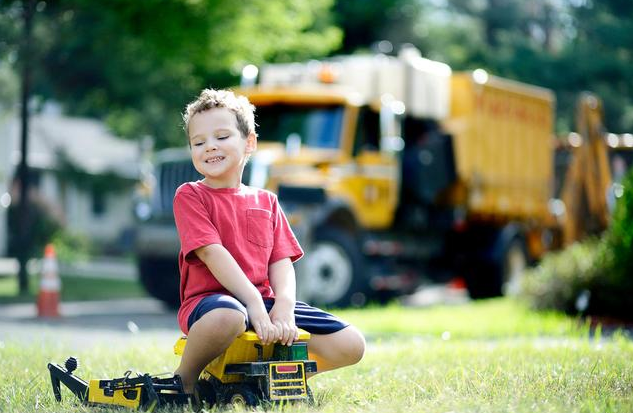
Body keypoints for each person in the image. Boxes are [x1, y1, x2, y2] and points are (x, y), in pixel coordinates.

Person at [173, 88, 365, 394]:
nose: (209, 147)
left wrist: (284, 307)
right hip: (212, 303)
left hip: (265, 303)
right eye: (199, 142)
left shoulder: (268, 201)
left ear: (249, 142)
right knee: (229, 315)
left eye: (222, 137)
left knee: (351, 344)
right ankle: (184, 380)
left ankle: (269, 383)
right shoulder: (190, 195)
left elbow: (281, 261)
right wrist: (252, 304)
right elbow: (212, 252)